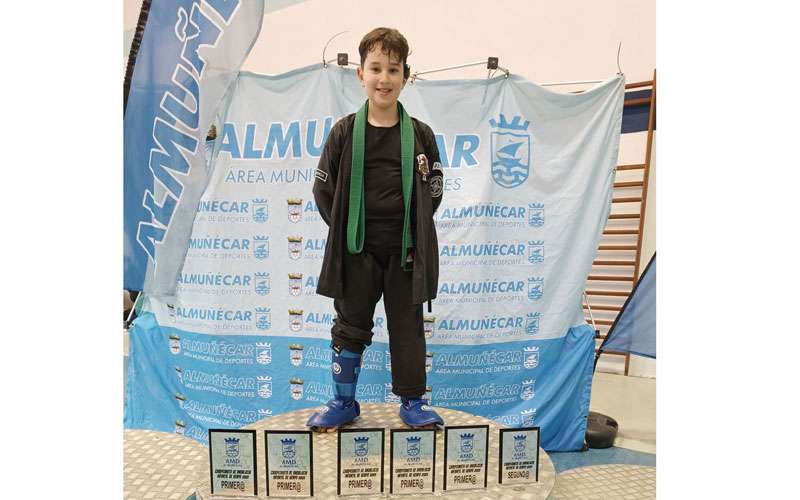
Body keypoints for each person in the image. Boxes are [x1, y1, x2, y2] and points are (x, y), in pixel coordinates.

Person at [307, 27, 445, 432]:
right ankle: (343, 401)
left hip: (406, 252)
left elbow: (433, 192)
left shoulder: (420, 135)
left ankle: (413, 402)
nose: (384, 78)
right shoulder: (345, 132)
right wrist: (350, 234)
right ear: (360, 74)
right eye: (376, 68)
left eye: (393, 69)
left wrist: (411, 234)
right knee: (349, 326)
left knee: (408, 327)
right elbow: (323, 189)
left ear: (406, 76)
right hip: (356, 251)